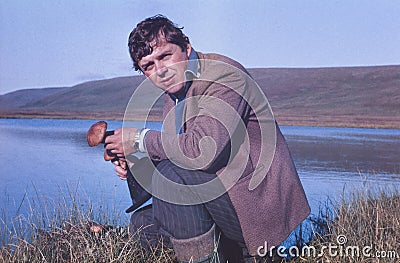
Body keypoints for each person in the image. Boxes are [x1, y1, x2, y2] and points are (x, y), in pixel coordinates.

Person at [105, 15, 310, 263]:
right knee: (142, 224)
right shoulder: (176, 90)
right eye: (149, 66)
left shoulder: (225, 77)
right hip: (225, 193)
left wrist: (139, 140)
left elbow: (200, 152)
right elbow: (178, 154)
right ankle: (219, 254)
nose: (161, 71)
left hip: (257, 207)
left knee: (172, 177)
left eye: (165, 56)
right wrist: (137, 165)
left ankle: (253, 256)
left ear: (186, 47)